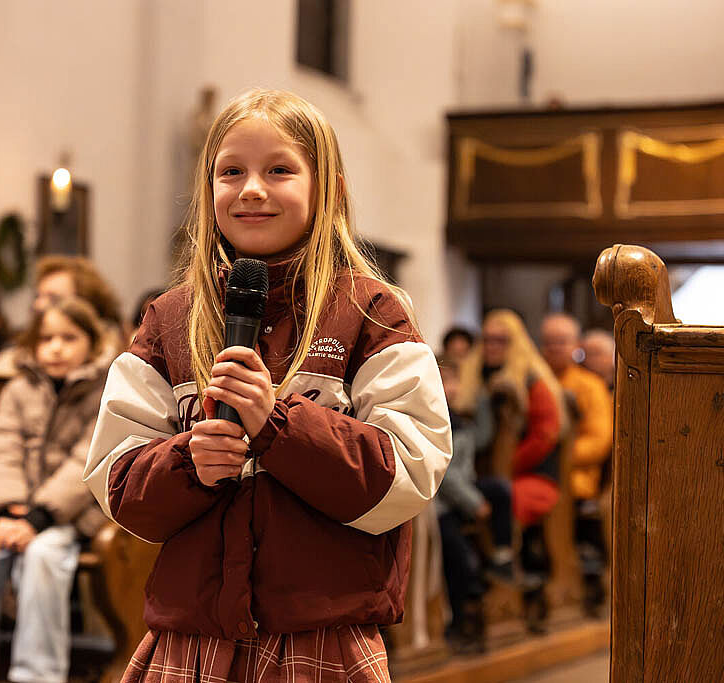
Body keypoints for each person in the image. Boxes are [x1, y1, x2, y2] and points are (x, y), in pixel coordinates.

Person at [84, 88, 452, 682]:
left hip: (320, 641)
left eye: (279, 170)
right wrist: (190, 463)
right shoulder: (169, 320)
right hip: (192, 644)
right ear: (209, 194)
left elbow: (409, 474)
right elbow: (115, 480)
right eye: (231, 172)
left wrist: (277, 423)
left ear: (326, 188)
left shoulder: (371, 312)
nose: (251, 189)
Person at [0, 296, 114, 683]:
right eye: (47, 338)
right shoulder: (19, 389)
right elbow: (0, 449)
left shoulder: (104, 391)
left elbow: (88, 460)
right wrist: (8, 510)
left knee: (42, 557)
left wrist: (39, 516)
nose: (56, 347)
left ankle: (37, 674)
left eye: (69, 338)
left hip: (70, 513)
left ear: (91, 342)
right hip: (10, 509)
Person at [454, 309, 568, 634]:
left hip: (533, 475)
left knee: (509, 501)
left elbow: (546, 434)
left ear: (514, 343)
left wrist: (509, 464)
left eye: (500, 341)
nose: (492, 347)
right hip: (486, 473)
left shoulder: (533, 381)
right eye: (487, 339)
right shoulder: (475, 375)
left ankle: (517, 585)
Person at [433, 359, 511, 653]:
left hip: (464, 490)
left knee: (501, 490)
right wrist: (475, 504)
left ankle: (502, 557)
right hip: (441, 505)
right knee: (459, 557)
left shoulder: (458, 419)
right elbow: (446, 475)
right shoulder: (435, 420)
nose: (447, 388)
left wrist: (483, 400)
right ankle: (458, 621)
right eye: (441, 382)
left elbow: (482, 438)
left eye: (451, 382)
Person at [540, 313, 613, 616]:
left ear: (575, 345)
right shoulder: (538, 379)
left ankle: (587, 589)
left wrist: (560, 458)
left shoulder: (590, 385)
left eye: (562, 341)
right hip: (540, 474)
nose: (555, 348)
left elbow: (599, 439)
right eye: (549, 342)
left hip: (578, 480)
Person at [0, 255, 123, 381]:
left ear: (86, 303)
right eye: (38, 296)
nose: (38, 305)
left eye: (54, 298)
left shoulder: (115, 362)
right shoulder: (15, 358)